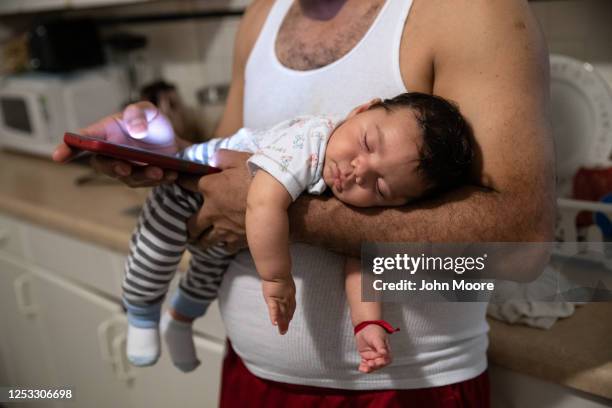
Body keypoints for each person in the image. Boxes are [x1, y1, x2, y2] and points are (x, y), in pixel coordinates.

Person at [54, 0, 554, 406]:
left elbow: (523, 248)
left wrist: (285, 213)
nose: (360, 167)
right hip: (251, 375)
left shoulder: (471, 10)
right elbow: (232, 172)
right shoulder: (259, 17)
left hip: (403, 391)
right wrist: (164, 150)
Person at [123, 92, 473, 374]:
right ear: (362, 109)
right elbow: (262, 202)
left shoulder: (356, 196)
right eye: (366, 142)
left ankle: (180, 322)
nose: (358, 171)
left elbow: (361, 263)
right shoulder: (311, 141)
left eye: (380, 186)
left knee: (207, 272)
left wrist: (369, 323)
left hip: (233, 231)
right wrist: (277, 280)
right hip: (187, 185)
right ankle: (141, 313)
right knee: (155, 252)